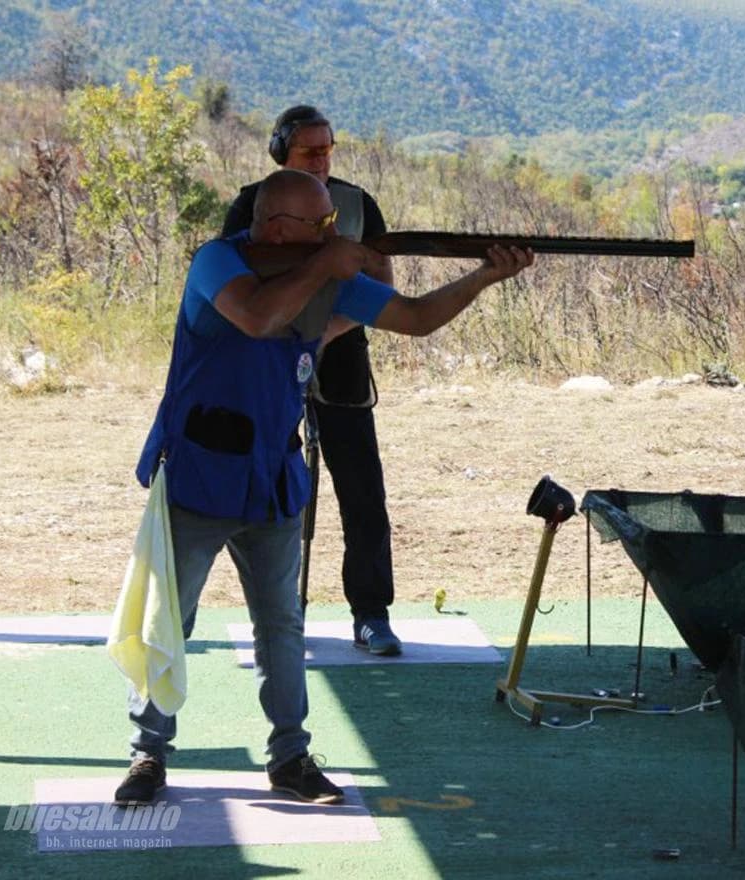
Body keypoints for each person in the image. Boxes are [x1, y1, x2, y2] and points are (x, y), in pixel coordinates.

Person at [116, 168, 533, 807]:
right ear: (277, 228)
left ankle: (290, 758)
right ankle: (148, 755)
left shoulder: (323, 275)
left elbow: (417, 319)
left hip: (275, 474)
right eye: (321, 225)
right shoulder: (217, 262)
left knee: (281, 624)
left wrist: (482, 276)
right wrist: (329, 266)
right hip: (202, 468)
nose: (333, 235)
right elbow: (256, 317)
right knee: (168, 619)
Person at [223, 105, 404, 657]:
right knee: (272, 484)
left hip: (340, 352)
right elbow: (236, 282)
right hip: (270, 357)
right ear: (282, 154)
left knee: (361, 488)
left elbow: (384, 289)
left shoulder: (357, 203)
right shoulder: (253, 203)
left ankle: (371, 612)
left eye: (327, 149)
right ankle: (279, 611)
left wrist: (326, 331)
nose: (322, 160)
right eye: (310, 151)